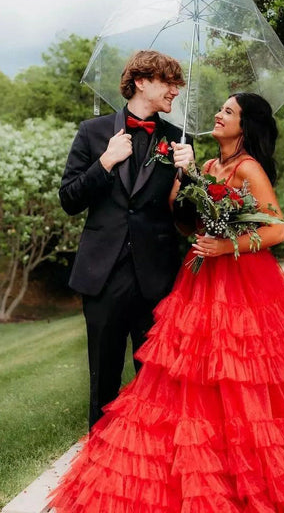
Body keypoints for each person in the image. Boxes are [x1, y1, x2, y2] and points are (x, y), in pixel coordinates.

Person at [49, 93, 284, 512]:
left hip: (239, 282)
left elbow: (274, 230)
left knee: (238, 377)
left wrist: (226, 246)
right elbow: (185, 220)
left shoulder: (248, 168)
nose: (218, 115)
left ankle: (245, 466)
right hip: (197, 279)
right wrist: (183, 185)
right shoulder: (205, 166)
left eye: (228, 112)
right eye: (220, 109)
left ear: (246, 125)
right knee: (191, 377)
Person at [59, 50, 194, 428]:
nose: (175, 92)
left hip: (157, 279)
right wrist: (104, 163)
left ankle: (148, 468)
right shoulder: (93, 132)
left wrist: (190, 177)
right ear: (141, 81)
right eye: (169, 83)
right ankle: (98, 463)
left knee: (156, 383)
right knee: (103, 380)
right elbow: (69, 198)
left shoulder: (178, 141)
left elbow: (186, 220)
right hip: (102, 276)